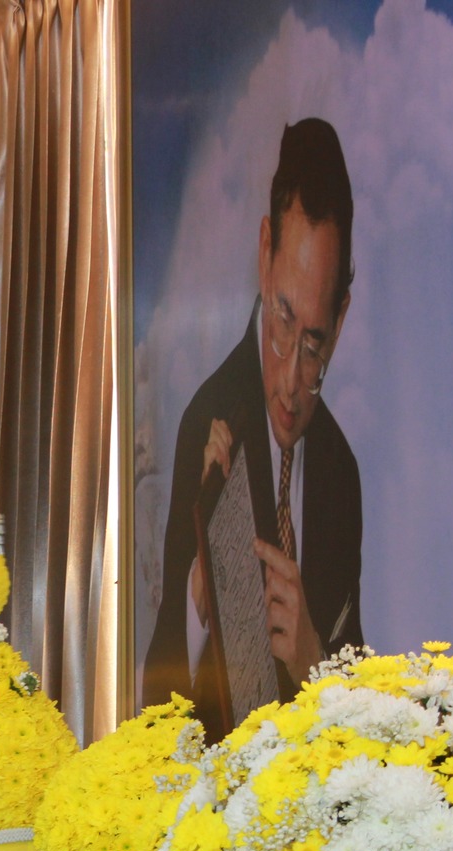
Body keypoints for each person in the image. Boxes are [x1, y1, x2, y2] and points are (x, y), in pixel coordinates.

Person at [142, 117, 365, 741]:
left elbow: (362, 695)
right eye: (282, 322)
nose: (293, 381)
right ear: (265, 255)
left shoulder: (340, 470)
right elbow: (154, 703)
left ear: (341, 320)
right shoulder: (207, 423)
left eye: (315, 344)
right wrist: (196, 610)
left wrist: (312, 658)